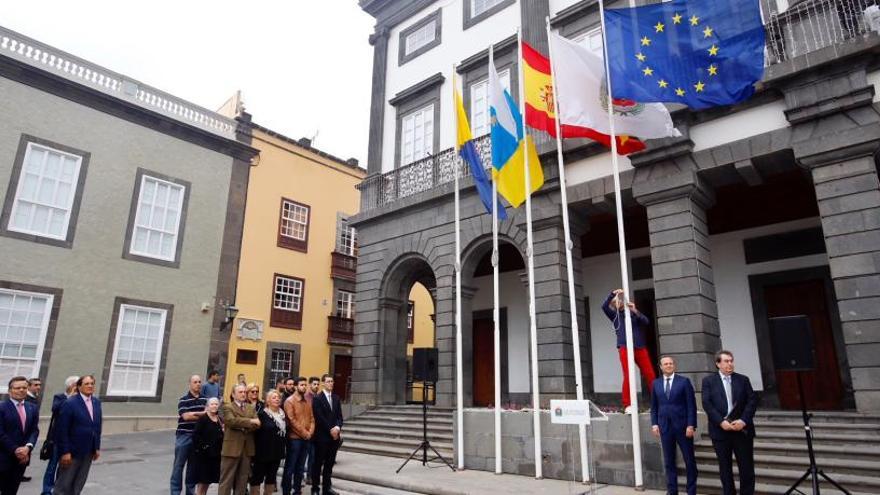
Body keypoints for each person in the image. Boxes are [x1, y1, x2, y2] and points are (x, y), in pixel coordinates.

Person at [702, 350, 759, 495]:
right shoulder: (708, 381)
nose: (730, 364)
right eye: (726, 361)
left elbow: (752, 401)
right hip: (720, 431)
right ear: (718, 363)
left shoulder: (743, 380)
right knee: (725, 468)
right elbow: (707, 404)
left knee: (746, 468)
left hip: (741, 430)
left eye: (731, 361)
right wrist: (720, 422)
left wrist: (744, 420)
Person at [601, 288, 657, 413]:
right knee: (628, 374)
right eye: (615, 302)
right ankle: (627, 405)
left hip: (639, 346)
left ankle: (657, 402)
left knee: (650, 374)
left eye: (619, 300)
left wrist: (635, 310)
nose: (618, 302)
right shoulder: (614, 316)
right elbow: (603, 306)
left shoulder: (632, 314)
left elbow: (646, 321)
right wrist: (612, 294)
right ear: (613, 305)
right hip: (624, 347)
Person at [651, 356, 698, 495]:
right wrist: (654, 424)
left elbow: (691, 405)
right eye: (666, 364)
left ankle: (691, 491)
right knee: (669, 461)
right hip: (665, 427)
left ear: (674, 365)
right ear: (661, 367)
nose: (669, 365)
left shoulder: (684, 382)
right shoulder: (656, 383)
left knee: (689, 461)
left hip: (683, 428)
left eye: (671, 363)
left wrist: (691, 425)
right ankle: (672, 491)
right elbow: (654, 406)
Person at [54, 375, 101, 495]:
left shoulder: (96, 402)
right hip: (72, 452)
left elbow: (97, 426)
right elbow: (62, 429)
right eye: (86, 384)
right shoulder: (70, 403)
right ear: (79, 387)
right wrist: (65, 452)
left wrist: (96, 447)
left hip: (88, 451)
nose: (90, 386)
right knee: (64, 484)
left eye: (92, 383)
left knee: (79, 483)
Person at [0, 376, 39, 495]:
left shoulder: (32, 408)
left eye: (24, 388)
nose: (21, 390)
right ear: (10, 390)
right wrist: (16, 449)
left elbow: (34, 431)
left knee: (11, 491)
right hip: (3, 457)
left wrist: (28, 447)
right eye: (17, 388)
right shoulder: (2, 407)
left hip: (22, 459)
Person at [218, 384, 259, 495]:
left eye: (245, 392)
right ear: (233, 394)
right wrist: (250, 422)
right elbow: (231, 421)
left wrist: (242, 424)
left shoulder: (250, 407)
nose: (243, 394)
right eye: (240, 392)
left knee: (242, 480)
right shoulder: (228, 407)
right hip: (231, 448)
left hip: (246, 448)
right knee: (226, 480)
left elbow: (258, 424)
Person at [41, 375, 79, 495]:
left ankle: (59, 488)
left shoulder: (79, 400)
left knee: (65, 467)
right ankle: (47, 490)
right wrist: (70, 397)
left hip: (71, 439)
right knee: (52, 465)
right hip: (57, 438)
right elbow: (56, 409)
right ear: (71, 386)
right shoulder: (60, 397)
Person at [172, 375, 208, 495]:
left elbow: (208, 416)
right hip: (184, 436)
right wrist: (202, 413)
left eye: (199, 382)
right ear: (190, 384)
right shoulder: (183, 400)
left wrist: (194, 413)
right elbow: (186, 417)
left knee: (192, 469)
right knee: (178, 466)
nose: (198, 384)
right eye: (195, 382)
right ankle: (175, 492)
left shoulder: (205, 400)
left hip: (197, 438)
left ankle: (190, 493)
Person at [311, 374, 343, 495]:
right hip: (322, 437)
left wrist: (337, 427)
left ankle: (327, 488)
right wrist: (330, 429)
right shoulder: (317, 399)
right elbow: (319, 417)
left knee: (329, 464)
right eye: (328, 381)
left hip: (334, 437)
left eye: (332, 381)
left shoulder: (336, 398)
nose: (331, 383)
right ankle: (315, 488)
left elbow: (340, 417)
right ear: (323, 383)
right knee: (318, 464)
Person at [250, 390, 286, 495]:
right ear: (268, 401)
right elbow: (254, 434)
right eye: (274, 397)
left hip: (276, 452)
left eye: (278, 397)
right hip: (262, 453)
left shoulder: (283, 415)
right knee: (257, 478)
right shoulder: (261, 415)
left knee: (271, 478)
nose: (277, 399)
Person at [282, 377, 314, 495]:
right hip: (294, 439)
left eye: (305, 385)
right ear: (295, 386)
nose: (304, 387)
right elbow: (291, 420)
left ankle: (297, 490)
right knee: (290, 467)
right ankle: (286, 491)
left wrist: (310, 432)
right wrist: (305, 433)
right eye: (301, 385)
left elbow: (312, 419)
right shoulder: (289, 401)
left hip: (306, 439)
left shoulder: (307, 402)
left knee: (300, 468)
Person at [192, 398, 224, 495]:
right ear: (207, 406)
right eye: (212, 404)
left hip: (215, 456)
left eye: (216, 404)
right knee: (202, 483)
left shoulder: (219, 419)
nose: (214, 406)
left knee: (207, 482)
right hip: (204, 456)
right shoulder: (203, 419)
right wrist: (204, 447)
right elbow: (196, 436)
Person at [20, 377, 41, 483]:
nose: (38, 387)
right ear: (29, 386)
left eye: (39, 385)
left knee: (28, 451)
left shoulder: (34, 397)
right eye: (35, 385)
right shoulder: (26, 398)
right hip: (23, 429)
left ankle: (20, 474)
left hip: (31, 429)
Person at [302, 377, 320, 485]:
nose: (316, 386)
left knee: (313, 456)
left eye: (318, 384)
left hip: (316, 432)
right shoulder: (306, 398)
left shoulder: (319, 397)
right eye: (314, 384)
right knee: (303, 456)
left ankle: (310, 476)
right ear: (310, 385)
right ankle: (299, 476)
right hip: (306, 431)